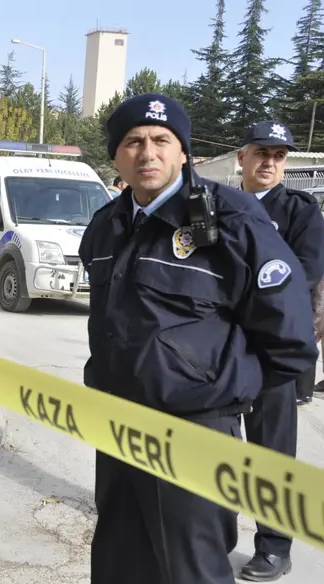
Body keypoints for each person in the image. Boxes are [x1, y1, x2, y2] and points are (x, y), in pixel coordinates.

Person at [78, 93, 318, 584]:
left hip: (194, 433)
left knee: (192, 572)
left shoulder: (233, 220)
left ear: (184, 151)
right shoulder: (107, 226)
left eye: (162, 141)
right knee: (117, 566)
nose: (148, 153)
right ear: (116, 156)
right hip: (119, 427)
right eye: (133, 142)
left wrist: (219, 393)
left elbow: (289, 339)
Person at [235, 120, 324, 581]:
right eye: (262, 153)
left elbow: (302, 274)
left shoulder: (301, 212)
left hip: (271, 349)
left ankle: (274, 547)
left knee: (271, 452)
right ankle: (214, 533)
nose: (270, 162)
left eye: (279, 156)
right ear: (241, 158)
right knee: (218, 446)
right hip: (222, 351)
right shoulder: (215, 205)